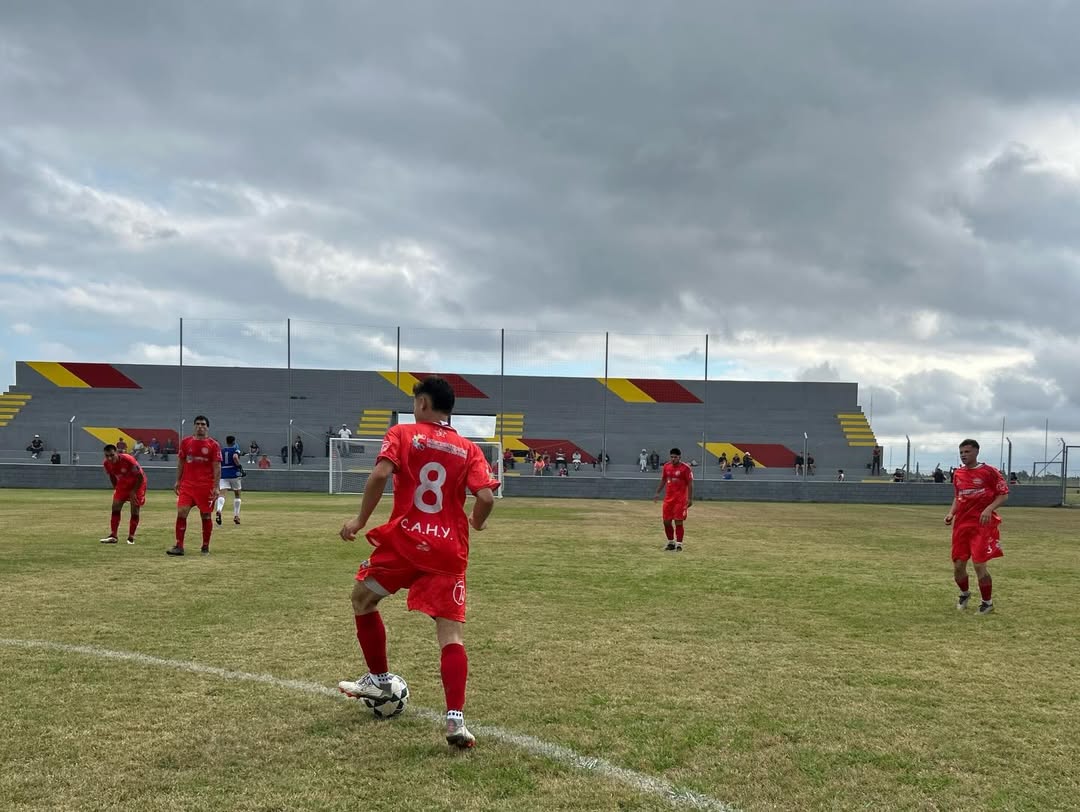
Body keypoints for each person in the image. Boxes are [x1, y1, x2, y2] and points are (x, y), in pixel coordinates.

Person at [336, 376, 498, 750]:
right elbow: (486, 497)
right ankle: (455, 720)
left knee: (362, 599)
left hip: (406, 543)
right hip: (448, 551)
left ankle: (378, 678)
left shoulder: (404, 433)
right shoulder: (469, 448)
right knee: (451, 636)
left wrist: (360, 521)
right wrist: (476, 521)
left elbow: (379, 474)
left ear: (422, 403)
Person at [946, 439, 1008, 614]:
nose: (964, 455)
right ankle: (964, 594)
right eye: (961, 453)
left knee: (979, 565)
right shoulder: (958, 474)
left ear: (976, 452)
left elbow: (1003, 495)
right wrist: (951, 513)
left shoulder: (990, 472)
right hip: (962, 525)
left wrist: (989, 509)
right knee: (958, 565)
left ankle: (987, 603)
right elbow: (958, 497)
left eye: (967, 452)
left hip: (982, 526)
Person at [167, 415, 221, 557]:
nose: (200, 426)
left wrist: (216, 487)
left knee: (205, 515)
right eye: (197, 424)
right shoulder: (186, 442)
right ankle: (179, 546)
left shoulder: (213, 445)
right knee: (182, 512)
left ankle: (205, 546)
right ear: (194, 426)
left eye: (203, 424)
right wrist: (178, 481)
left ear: (207, 427)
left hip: (206, 486)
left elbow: (217, 467)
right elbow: (181, 463)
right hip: (187, 485)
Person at [100, 443, 147, 544]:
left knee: (135, 509)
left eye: (112, 455)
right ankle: (113, 535)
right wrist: (116, 488)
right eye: (107, 456)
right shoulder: (106, 464)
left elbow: (140, 477)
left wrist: (134, 491)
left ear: (117, 453)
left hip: (137, 484)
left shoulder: (128, 460)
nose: (109, 458)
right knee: (115, 506)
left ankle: (131, 537)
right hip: (123, 484)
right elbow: (112, 476)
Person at [653, 447, 694, 552]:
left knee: (678, 522)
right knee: (666, 521)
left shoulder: (685, 468)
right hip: (668, 500)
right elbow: (663, 480)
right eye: (671, 457)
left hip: (680, 500)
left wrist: (689, 498)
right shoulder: (666, 466)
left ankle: (679, 544)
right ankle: (671, 542)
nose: (673, 459)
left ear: (679, 457)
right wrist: (657, 492)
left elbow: (690, 483)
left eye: (675, 457)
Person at [215, 434, 244, 526]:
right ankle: (236, 515)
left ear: (227, 442)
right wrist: (239, 467)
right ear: (234, 442)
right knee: (237, 494)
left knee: (222, 493)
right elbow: (235, 457)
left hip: (223, 473)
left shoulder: (221, 451)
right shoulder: (236, 450)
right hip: (234, 473)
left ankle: (219, 510)